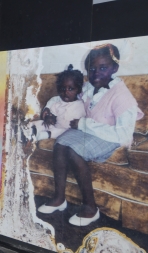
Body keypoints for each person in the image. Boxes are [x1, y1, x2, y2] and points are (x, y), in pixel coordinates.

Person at [37, 44, 144, 226]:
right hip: (89, 131)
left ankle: (90, 208)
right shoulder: (89, 87)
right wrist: (48, 109)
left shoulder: (122, 96)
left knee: (73, 151)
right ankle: (59, 198)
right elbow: (65, 98)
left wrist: (84, 124)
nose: (95, 74)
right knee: (61, 144)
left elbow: (124, 136)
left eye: (103, 68)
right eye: (92, 69)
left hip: (110, 136)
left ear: (115, 69)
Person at [23, 65, 86, 141]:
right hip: (55, 127)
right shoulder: (58, 103)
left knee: (66, 132)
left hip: (68, 132)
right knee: (42, 123)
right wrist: (49, 118)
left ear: (78, 90)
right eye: (63, 88)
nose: (66, 92)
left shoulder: (81, 105)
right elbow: (51, 115)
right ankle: (27, 128)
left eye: (71, 89)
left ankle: (44, 135)